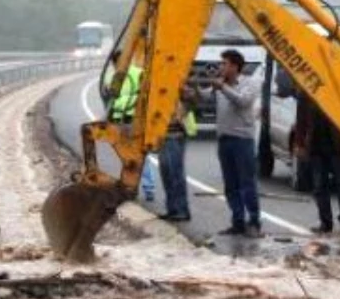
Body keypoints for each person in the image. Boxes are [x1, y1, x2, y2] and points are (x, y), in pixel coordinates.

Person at [205, 49, 263, 238]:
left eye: (225, 64)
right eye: (221, 64)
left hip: (242, 140)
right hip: (225, 139)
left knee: (247, 183)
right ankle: (237, 221)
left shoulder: (250, 83)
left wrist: (222, 87)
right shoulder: (220, 85)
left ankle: (254, 222)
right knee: (230, 185)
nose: (221, 67)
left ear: (235, 66)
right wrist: (192, 91)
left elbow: (243, 101)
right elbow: (204, 97)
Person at [293, 91, 340, 234]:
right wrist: (299, 144)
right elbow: (300, 119)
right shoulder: (306, 90)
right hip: (315, 145)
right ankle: (326, 223)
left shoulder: (336, 86)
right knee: (320, 186)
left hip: (337, 146)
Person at [104, 51, 155, 201]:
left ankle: (138, 187)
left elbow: (112, 99)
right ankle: (141, 187)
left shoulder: (125, 75)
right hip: (128, 120)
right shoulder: (122, 75)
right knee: (134, 154)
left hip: (130, 120)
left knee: (133, 154)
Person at [158, 89, 198, 222]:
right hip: (162, 134)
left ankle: (181, 209)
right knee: (166, 173)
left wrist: (182, 111)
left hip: (175, 133)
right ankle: (172, 208)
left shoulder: (177, 80)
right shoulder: (156, 81)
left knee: (175, 172)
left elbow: (193, 98)